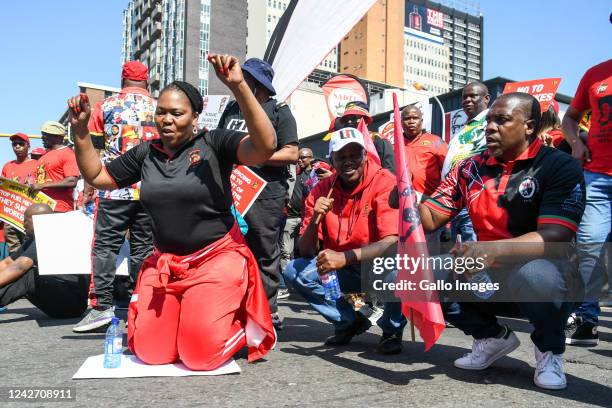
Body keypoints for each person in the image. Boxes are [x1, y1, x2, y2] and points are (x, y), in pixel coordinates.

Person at [67, 53, 276, 371]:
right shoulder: (145, 153)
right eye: (161, 112)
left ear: (195, 117)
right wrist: (81, 133)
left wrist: (239, 87)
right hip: (166, 264)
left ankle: (240, 327)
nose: (166, 120)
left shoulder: (214, 143)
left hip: (216, 259)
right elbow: (98, 177)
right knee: (150, 352)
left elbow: (264, 146)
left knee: (200, 356)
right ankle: (192, 323)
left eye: (176, 113)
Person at [418, 93, 585, 390]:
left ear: (529, 126)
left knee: (535, 275)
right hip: (490, 275)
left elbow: (556, 236)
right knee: (422, 273)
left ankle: (549, 350)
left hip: (546, 274)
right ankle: (491, 339)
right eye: (489, 120)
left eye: (502, 120)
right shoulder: (469, 168)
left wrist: (489, 250)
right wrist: (407, 199)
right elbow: (431, 219)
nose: (490, 127)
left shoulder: (559, 166)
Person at [283, 128, 406, 354]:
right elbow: (307, 251)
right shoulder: (320, 190)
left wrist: (344, 257)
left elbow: (391, 242)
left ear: (365, 156)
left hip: (377, 266)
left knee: (399, 271)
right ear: (332, 160)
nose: (349, 162)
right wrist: (314, 222)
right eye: (341, 156)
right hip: (343, 270)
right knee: (295, 271)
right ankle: (349, 322)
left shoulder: (384, 182)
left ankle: (391, 329)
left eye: (354, 155)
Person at [72, 61, 157, 333]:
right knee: (143, 247)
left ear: (122, 79)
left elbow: (93, 153)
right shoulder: (159, 107)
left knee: (105, 246)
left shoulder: (106, 107)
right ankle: (141, 302)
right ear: (147, 81)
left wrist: (88, 188)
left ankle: (101, 307)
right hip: (150, 188)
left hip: (114, 187)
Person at [218, 57, 298, 329]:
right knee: (229, 251)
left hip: (265, 194)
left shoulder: (278, 110)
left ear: (260, 85)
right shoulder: (231, 109)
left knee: (265, 252)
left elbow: (292, 152)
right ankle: (234, 309)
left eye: (248, 80)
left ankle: (268, 310)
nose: (242, 83)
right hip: (232, 191)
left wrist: (257, 155)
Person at [562, 58, 612, 346]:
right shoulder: (595, 74)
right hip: (596, 176)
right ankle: (588, 319)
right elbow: (570, 117)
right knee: (589, 246)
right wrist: (575, 142)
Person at [0, 204, 89, 318]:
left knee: (29, 274)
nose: (23, 224)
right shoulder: (34, 238)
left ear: (36, 220)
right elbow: (8, 263)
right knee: (23, 273)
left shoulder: (52, 236)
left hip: (73, 305)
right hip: (61, 297)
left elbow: (20, 267)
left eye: (25, 220)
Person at [441, 82, 490, 242]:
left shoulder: (490, 122)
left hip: (475, 197)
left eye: (473, 96)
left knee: (475, 253)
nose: (467, 100)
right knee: (460, 254)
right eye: (464, 97)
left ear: (486, 98)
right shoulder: (463, 130)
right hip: (456, 200)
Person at [279, 148, 314, 290]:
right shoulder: (294, 174)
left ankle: (305, 281)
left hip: (307, 219)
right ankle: (288, 284)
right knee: (286, 252)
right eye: (298, 158)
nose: (300, 160)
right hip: (291, 218)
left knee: (306, 252)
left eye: (303, 158)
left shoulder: (315, 175)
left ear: (311, 158)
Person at [30, 122, 79, 213]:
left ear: (58, 137)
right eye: (43, 135)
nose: (42, 138)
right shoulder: (44, 157)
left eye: (46, 135)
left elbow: (71, 181)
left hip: (59, 209)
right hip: (41, 208)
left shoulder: (67, 153)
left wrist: (42, 185)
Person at [335, 101, 396, 173]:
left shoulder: (378, 140)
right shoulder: (342, 143)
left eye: (353, 118)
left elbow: (390, 171)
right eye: (346, 120)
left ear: (366, 121)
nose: (349, 122)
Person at [1, 133, 37, 253]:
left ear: (28, 146)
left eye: (21, 144)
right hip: (11, 216)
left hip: (29, 214)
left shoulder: (36, 164)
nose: (17, 146)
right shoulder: (7, 166)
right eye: (14, 144)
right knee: (14, 251)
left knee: (30, 249)